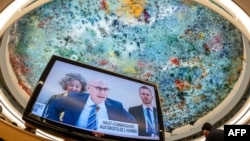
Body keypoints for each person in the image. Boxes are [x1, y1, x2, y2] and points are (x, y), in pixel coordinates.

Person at [46, 78, 136, 130]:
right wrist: (56, 126)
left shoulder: (117, 106)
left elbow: (133, 124)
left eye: (106, 89)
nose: (102, 92)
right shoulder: (74, 98)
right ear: (89, 88)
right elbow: (54, 106)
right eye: (98, 88)